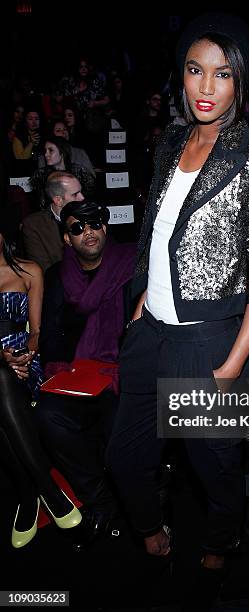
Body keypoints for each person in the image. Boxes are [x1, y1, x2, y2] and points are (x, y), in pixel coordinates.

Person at [106, 11, 249, 601]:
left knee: (215, 467)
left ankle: (219, 542)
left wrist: (235, 363)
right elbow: (156, 233)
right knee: (126, 457)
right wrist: (139, 303)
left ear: (240, 83)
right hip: (150, 333)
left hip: (208, 341)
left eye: (222, 75)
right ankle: (152, 531)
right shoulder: (169, 141)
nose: (205, 88)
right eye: (194, 70)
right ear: (181, 76)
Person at [35, 200, 136, 551]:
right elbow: (49, 336)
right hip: (77, 374)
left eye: (94, 224)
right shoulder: (56, 276)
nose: (88, 232)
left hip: (122, 371)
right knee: (47, 415)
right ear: (66, 238)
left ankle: (137, 503)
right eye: (77, 228)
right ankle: (98, 498)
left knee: (117, 422)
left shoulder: (132, 264)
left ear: (105, 229)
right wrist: (64, 371)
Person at [0, 208, 82, 548]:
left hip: (23, 359)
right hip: (2, 363)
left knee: (3, 380)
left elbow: (36, 331)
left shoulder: (29, 270)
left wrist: (26, 352)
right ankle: (45, 489)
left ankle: (27, 496)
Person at [22, 171, 84, 271]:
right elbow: (43, 269)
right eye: (75, 194)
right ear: (58, 200)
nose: (82, 198)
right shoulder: (34, 225)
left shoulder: (89, 215)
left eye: (81, 191)